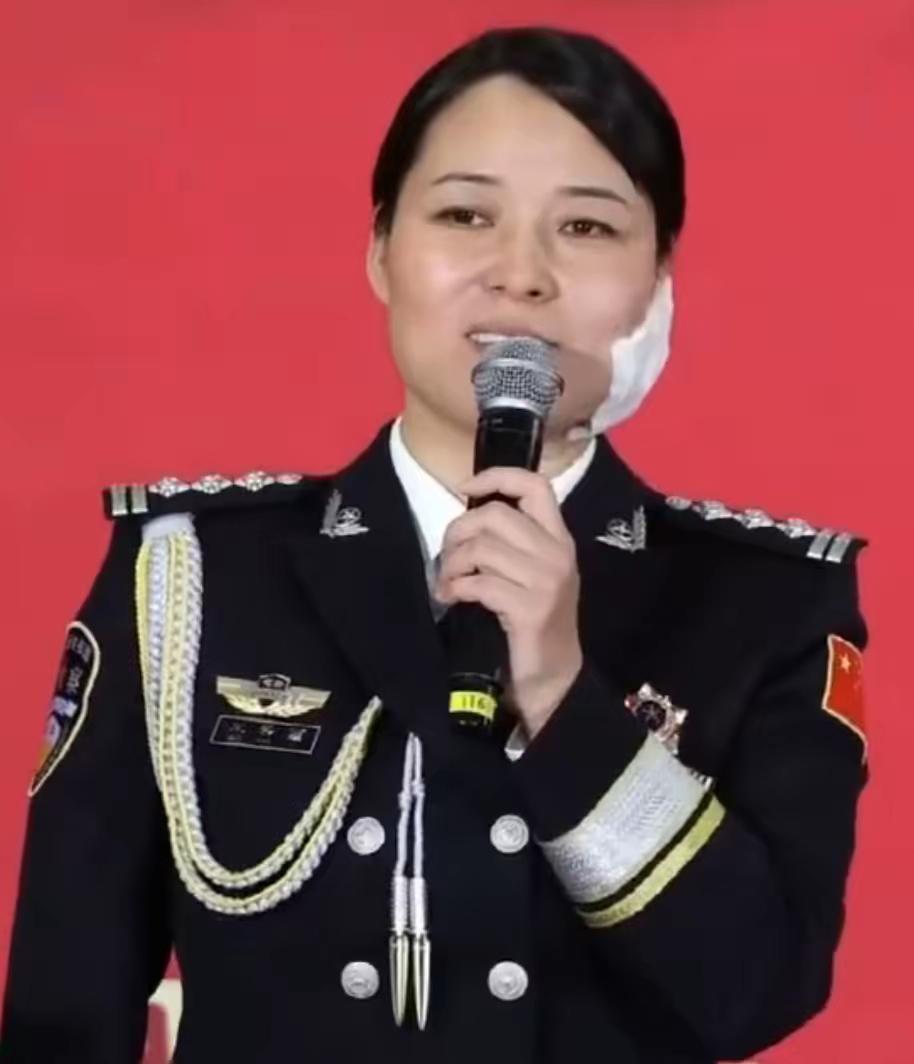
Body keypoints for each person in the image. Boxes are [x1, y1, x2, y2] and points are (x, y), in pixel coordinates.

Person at [1, 25, 869, 1064]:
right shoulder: (188, 574)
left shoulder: (760, 601)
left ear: (658, 278)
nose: (520, 275)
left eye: (587, 227)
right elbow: (65, 1004)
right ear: (380, 249)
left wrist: (560, 696)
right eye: (465, 214)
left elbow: (756, 990)